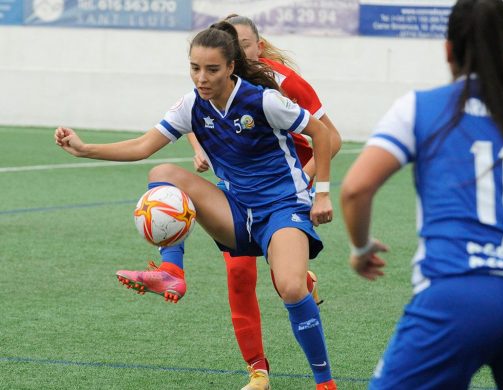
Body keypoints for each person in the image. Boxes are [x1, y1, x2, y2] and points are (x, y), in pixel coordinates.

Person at [55, 21, 337, 390]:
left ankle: (324, 383)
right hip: (235, 208)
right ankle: (173, 270)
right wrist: (85, 148)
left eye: (212, 69)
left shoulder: (263, 100)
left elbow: (322, 133)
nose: (201, 78)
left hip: (283, 206)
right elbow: (143, 146)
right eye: (195, 68)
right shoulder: (192, 104)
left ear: (231, 67)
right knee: (164, 171)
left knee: (291, 288)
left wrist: (324, 193)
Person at [340, 0, 503, 388]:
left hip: (454, 296)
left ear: (448, 49)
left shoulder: (419, 108)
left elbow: (355, 189)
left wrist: (360, 249)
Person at [184, 14, 342, 390]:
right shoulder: (212, 76)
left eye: (244, 45)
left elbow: (329, 138)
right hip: (238, 194)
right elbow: (190, 117)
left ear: (258, 46)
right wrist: (197, 148)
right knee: (239, 275)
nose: (239, 52)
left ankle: (324, 377)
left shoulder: (284, 85)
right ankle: (258, 371)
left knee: (285, 280)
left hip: (286, 190)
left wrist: (302, 185)